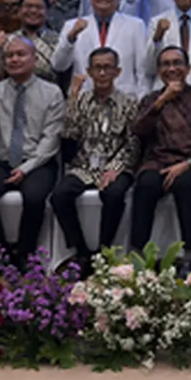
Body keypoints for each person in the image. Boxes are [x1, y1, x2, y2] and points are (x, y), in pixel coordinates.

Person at [0, 37, 65, 267]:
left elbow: (50, 141)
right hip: (2, 161)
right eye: (9, 56)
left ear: (34, 59)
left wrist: (26, 168)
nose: (14, 59)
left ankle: (25, 255)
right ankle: (1, 256)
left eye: (21, 54)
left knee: (34, 198)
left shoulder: (51, 92)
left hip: (38, 162)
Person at [50, 48, 141, 271]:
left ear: (117, 71)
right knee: (59, 196)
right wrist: (71, 99)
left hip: (116, 166)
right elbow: (69, 135)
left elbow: (133, 144)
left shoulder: (128, 103)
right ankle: (81, 250)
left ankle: (104, 250)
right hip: (84, 166)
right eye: (97, 68)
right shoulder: (80, 101)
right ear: (89, 71)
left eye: (107, 67)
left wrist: (115, 169)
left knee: (114, 194)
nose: (102, 73)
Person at [128, 46, 191, 254]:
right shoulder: (151, 100)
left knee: (185, 185)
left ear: (188, 69)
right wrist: (162, 101)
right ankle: (137, 254)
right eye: (166, 64)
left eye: (177, 63)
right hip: (156, 161)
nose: (172, 68)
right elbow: (138, 131)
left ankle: (190, 254)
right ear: (159, 71)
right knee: (146, 185)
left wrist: (187, 164)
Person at [53, 0, 148, 97]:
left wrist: (142, 100)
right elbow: (59, 65)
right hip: (83, 100)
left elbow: (142, 70)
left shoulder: (136, 25)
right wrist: (70, 38)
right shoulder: (72, 25)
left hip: (125, 100)